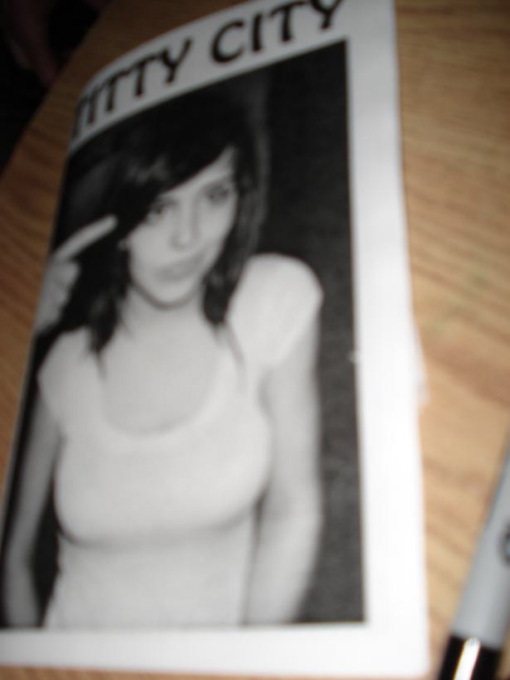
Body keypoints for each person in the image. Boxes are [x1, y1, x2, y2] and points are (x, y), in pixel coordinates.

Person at [2, 91, 323, 629]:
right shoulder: (65, 362)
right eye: (157, 209)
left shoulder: (271, 300)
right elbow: (12, 560)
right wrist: (14, 338)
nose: (188, 237)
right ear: (110, 220)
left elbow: (294, 509)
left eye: (215, 195)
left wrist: (246, 661)